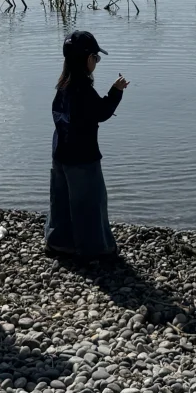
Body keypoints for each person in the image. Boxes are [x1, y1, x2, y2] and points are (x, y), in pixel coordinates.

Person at [45, 30, 129, 259]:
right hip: (82, 154)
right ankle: (97, 249)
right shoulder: (82, 88)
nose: (97, 62)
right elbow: (101, 112)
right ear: (88, 58)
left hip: (60, 150)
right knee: (90, 200)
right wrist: (116, 91)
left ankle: (58, 242)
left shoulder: (63, 85)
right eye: (96, 58)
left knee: (61, 199)